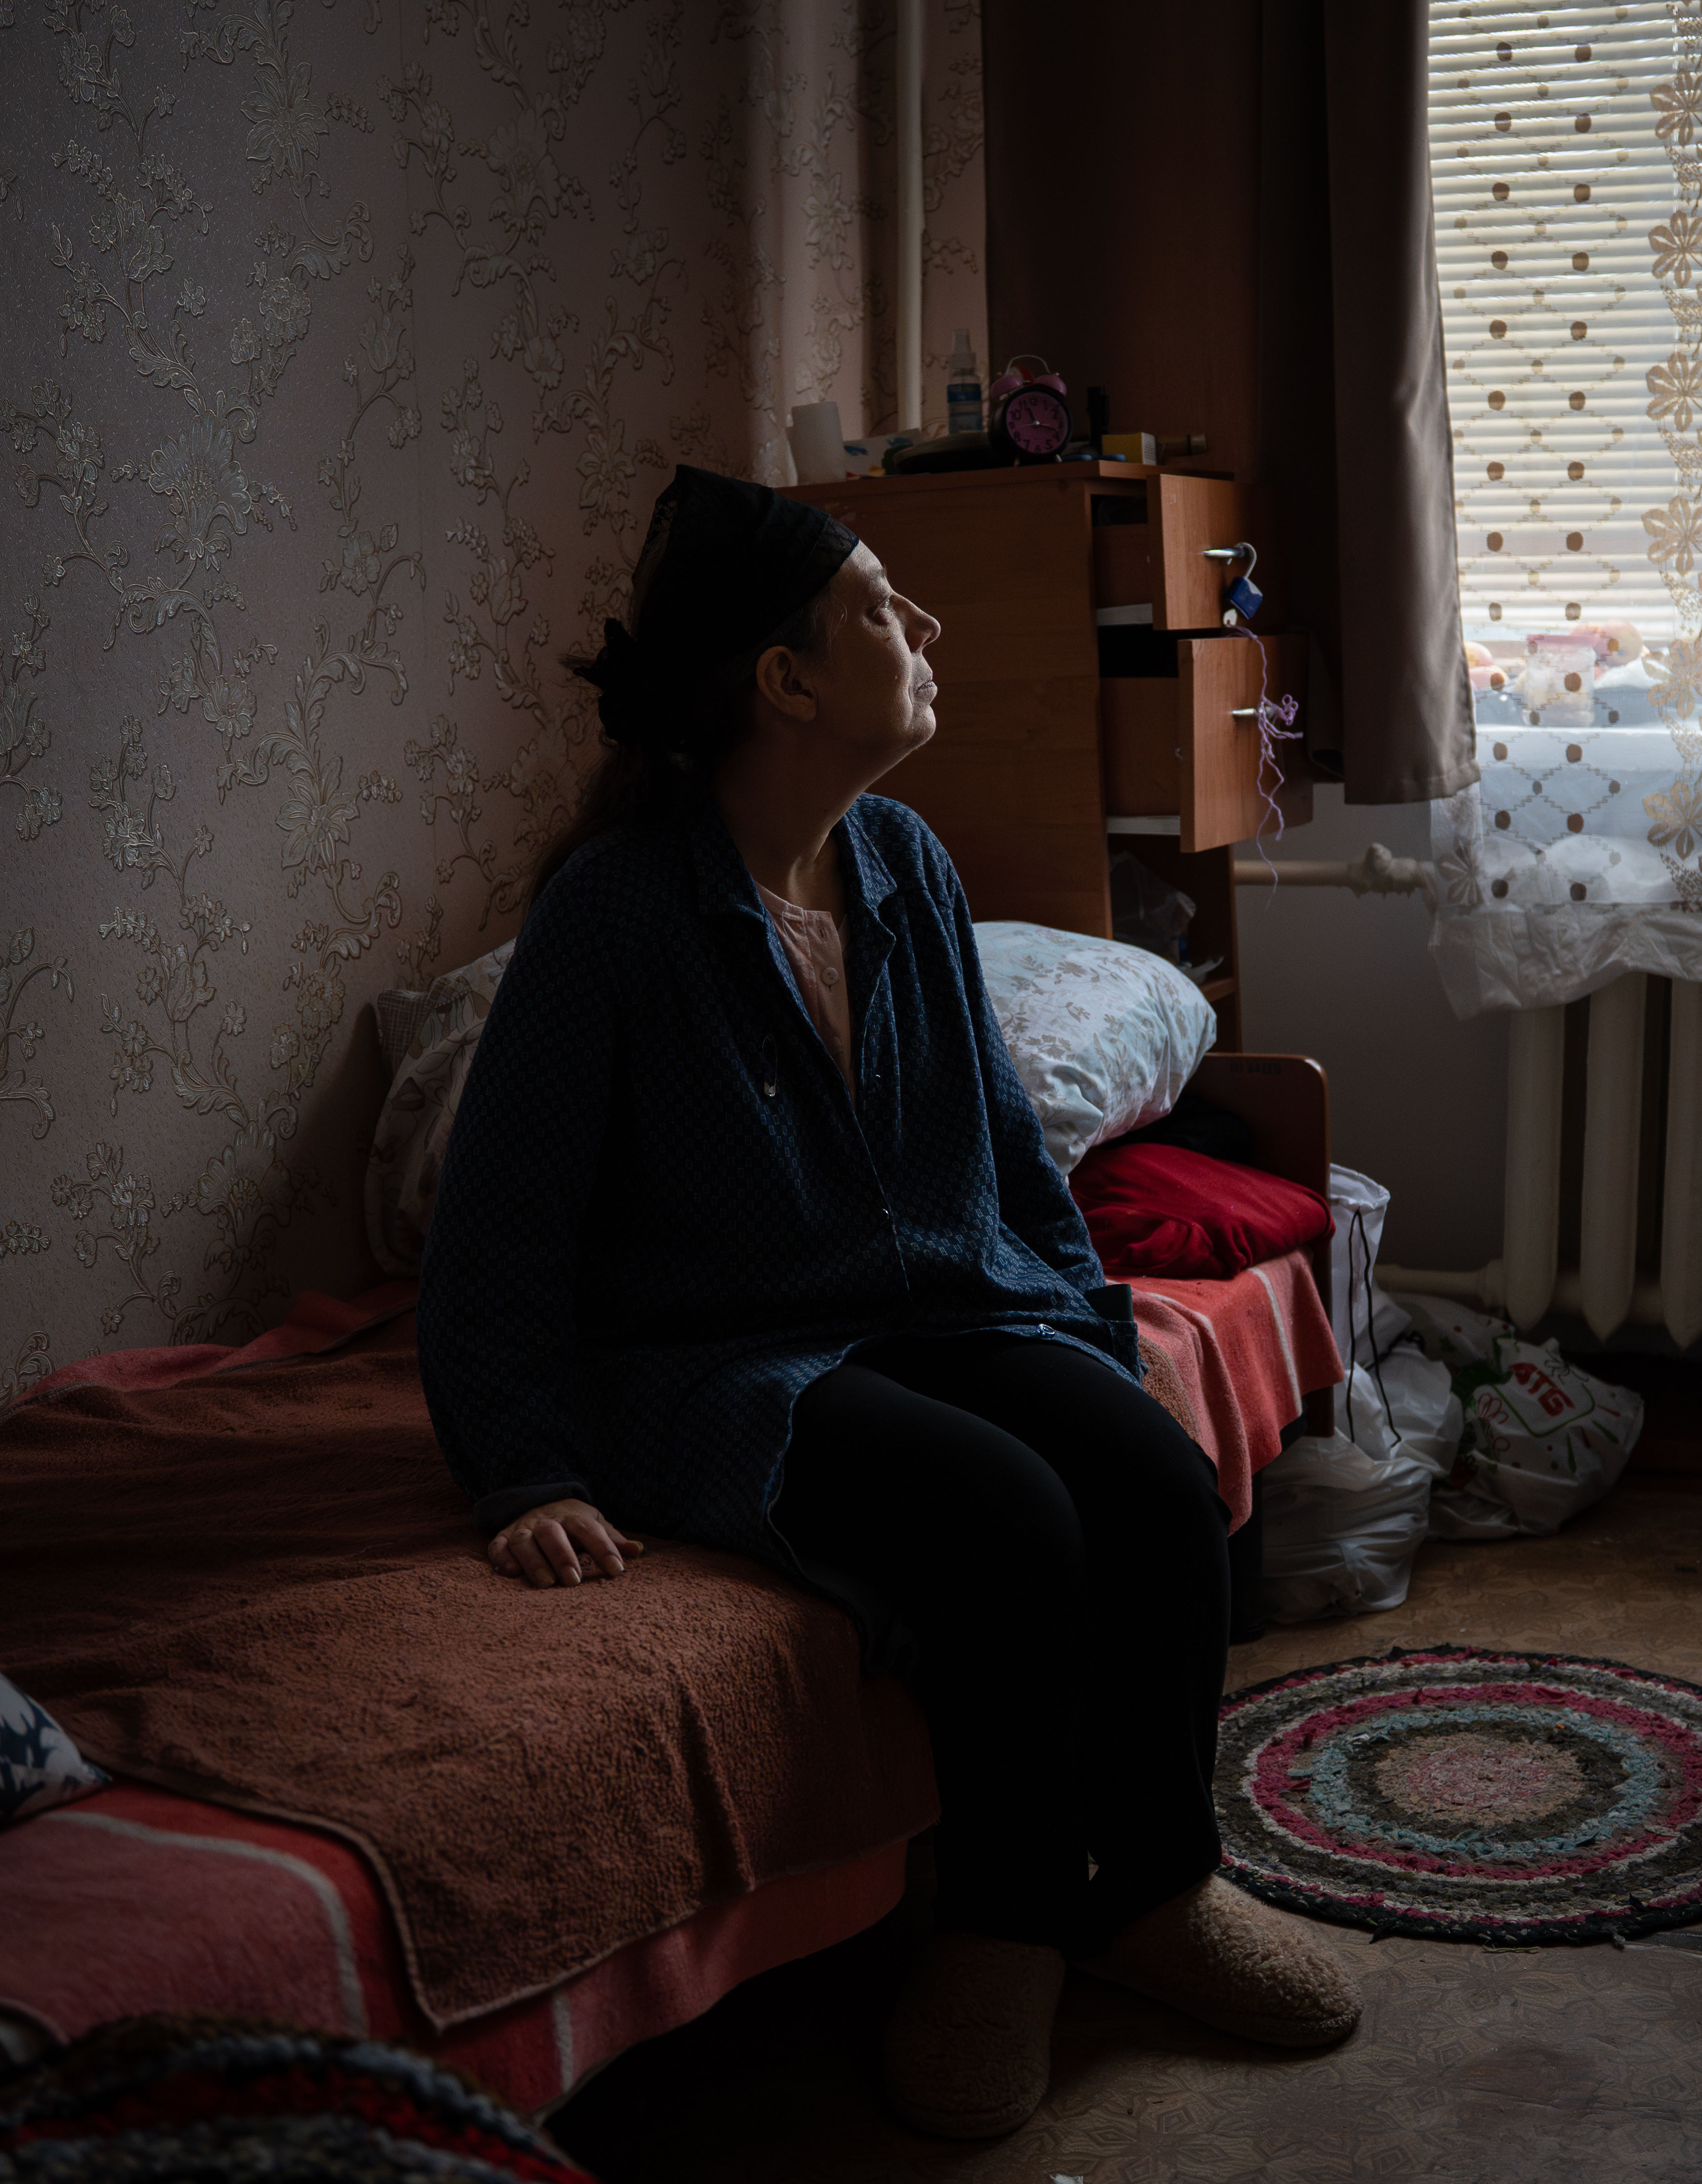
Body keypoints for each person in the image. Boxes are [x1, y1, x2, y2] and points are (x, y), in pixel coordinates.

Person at [414, 466, 1359, 2138]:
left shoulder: (903, 863)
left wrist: (1083, 1337)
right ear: (782, 679)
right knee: (998, 1512)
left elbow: (1003, 1151)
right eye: (877, 607)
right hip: (727, 1362)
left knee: (1138, 1475)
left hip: (948, 1307)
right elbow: (497, 1231)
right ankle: (999, 1926)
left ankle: (1150, 1890)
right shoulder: (615, 916)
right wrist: (528, 1467)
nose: (921, 629)